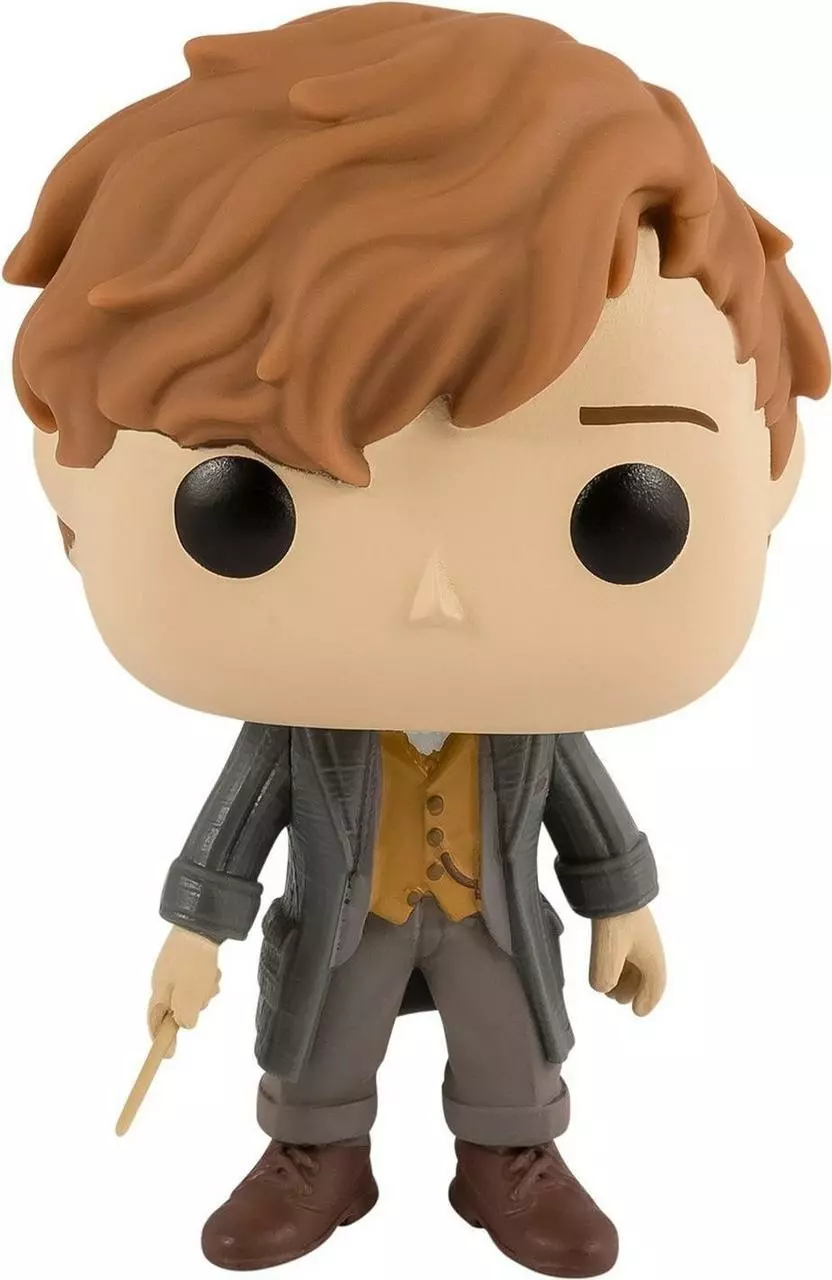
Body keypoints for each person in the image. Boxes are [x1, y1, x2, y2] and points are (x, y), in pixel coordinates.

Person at [5, 5, 828, 1275]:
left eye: (624, 514)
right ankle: (314, 1156)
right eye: (242, 505)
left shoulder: (531, 726)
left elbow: (586, 807)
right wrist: (193, 933)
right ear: (63, 483)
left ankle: (511, 1157)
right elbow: (236, 819)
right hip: (346, 916)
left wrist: (623, 902)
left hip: (492, 915)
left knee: (512, 1044)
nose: (436, 599)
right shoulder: (300, 725)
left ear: (772, 481)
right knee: (318, 1042)